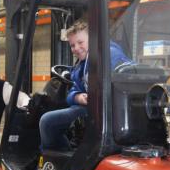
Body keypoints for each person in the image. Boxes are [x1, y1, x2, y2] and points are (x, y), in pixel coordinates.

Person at [39, 19, 129, 150]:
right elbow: (71, 93)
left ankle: (55, 161)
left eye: (80, 42)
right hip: (92, 107)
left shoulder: (109, 54)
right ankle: (63, 157)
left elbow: (121, 80)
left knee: (47, 121)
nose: (76, 48)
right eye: (72, 45)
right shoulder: (81, 66)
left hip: (108, 111)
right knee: (51, 121)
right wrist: (78, 97)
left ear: (93, 39)